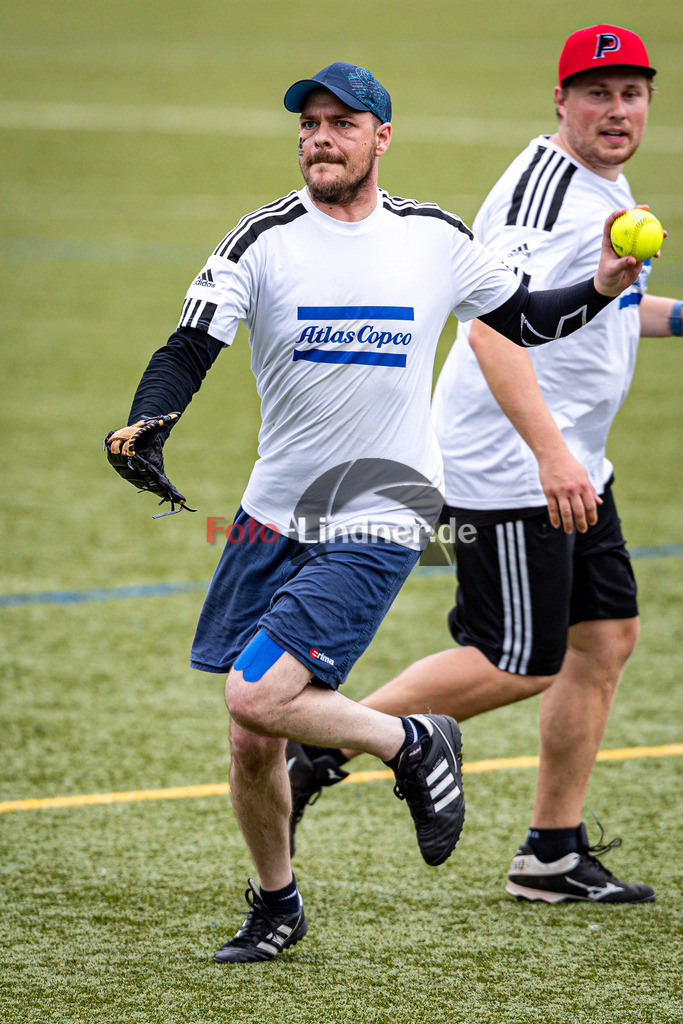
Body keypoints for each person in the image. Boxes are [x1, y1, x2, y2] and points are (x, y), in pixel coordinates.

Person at [106, 60, 642, 963]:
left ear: (380, 138)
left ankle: (410, 741)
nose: (321, 138)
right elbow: (189, 345)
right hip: (273, 513)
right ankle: (276, 904)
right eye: (309, 124)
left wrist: (597, 286)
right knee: (250, 735)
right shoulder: (261, 238)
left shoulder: (432, 237)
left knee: (257, 692)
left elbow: (521, 319)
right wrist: (151, 416)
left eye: (342, 124)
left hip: (384, 509)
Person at [287, 27, 681, 904]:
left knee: (603, 639)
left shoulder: (601, 181)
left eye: (631, 93)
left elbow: (598, 307)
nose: (616, 110)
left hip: (572, 459)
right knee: (514, 658)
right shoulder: (547, 193)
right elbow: (492, 327)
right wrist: (550, 456)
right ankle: (317, 742)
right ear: (560, 100)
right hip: (511, 463)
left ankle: (551, 854)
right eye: (597, 92)